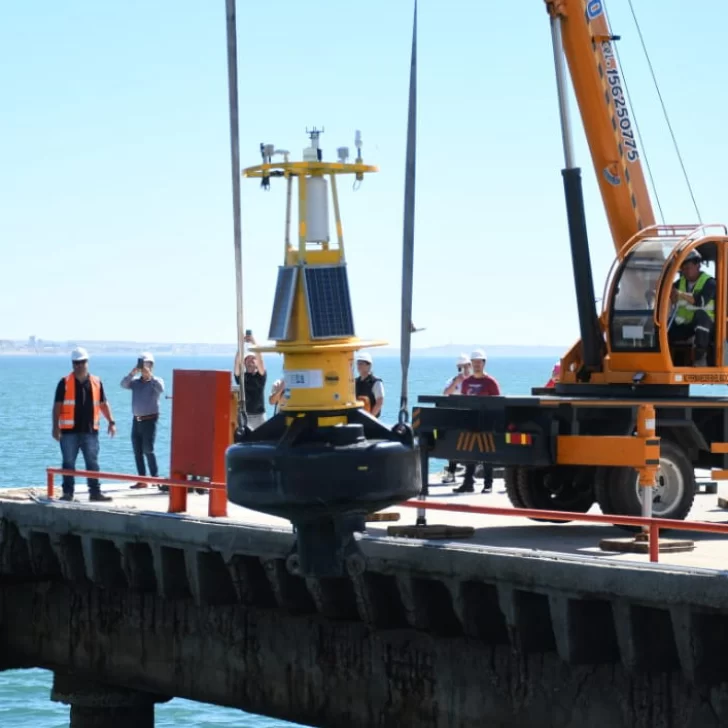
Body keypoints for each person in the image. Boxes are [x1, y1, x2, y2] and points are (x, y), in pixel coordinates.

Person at [52, 347, 116, 502]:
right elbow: (57, 406)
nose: (78, 365)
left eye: (81, 362)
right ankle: (68, 493)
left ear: (87, 362)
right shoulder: (64, 383)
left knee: (92, 463)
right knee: (68, 463)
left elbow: (103, 403)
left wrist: (111, 421)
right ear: (72, 364)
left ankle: (95, 492)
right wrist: (55, 427)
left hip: (90, 431)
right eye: (76, 363)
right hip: (69, 432)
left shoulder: (96, 382)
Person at [453, 348, 501, 494]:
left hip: (487, 422)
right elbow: (463, 401)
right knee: (469, 453)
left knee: (486, 453)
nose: (476, 365)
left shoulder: (490, 382)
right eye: (474, 362)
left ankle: (488, 484)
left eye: (479, 362)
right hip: (470, 421)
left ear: (484, 363)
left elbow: (498, 403)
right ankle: (468, 483)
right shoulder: (467, 382)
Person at [120, 352, 165, 490]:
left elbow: (161, 389)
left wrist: (149, 377)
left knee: (148, 449)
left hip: (150, 420)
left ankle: (155, 477)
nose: (145, 367)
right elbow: (123, 384)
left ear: (152, 365)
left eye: (148, 364)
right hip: (136, 420)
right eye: (143, 365)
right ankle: (142, 480)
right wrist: (133, 372)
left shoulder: (156, 381)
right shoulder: (136, 383)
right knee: (137, 450)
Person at [668, 249, 716, 367]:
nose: (685, 271)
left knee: (701, 316)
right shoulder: (679, 283)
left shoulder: (710, 283)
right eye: (683, 268)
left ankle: (700, 357)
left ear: (698, 265)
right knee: (663, 329)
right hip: (685, 325)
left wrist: (680, 294)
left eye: (688, 267)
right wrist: (670, 296)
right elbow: (671, 301)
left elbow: (700, 302)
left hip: (706, 328)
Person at [441, 354, 472, 484]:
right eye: (461, 367)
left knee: (470, 445)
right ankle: (452, 473)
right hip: (455, 416)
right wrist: (456, 382)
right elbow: (446, 393)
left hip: (470, 416)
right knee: (453, 445)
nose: (463, 369)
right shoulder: (453, 380)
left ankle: (469, 475)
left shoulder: (474, 381)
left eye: (466, 366)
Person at [233, 333, 267, 430]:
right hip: (246, 416)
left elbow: (260, 359)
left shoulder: (261, 376)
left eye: (253, 358)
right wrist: (241, 344)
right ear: (244, 362)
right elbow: (236, 362)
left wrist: (253, 341)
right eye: (248, 358)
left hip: (260, 416)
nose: (250, 360)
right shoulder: (242, 377)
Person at [355, 352, 384, 418]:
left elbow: (379, 402)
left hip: (370, 420)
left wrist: (370, 418)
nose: (359, 366)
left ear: (369, 365)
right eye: (358, 363)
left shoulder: (376, 382)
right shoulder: (355, 382)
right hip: (357, 419)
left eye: (361, 364)